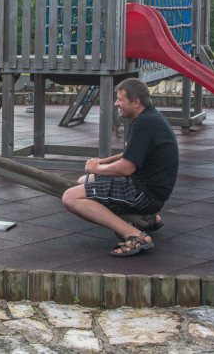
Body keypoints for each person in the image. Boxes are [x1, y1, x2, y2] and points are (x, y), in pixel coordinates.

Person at [61, 77, 178, 257]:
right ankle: (147, 219)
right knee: (84, 181)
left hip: (144, 193)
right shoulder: (150, 117)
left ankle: (134, 235)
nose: (116, 104)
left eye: (120, 99)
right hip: (151, 189)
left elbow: (126, 168)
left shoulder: (143, 124)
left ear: (136, 102)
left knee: (70, 198)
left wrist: (97, 169)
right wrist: (102, 162)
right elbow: (129, 154)